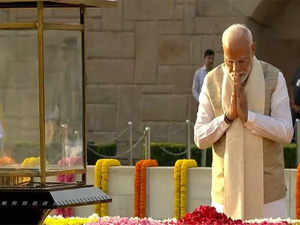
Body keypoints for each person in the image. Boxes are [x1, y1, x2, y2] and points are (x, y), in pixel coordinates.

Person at [194, 24, 293, 220]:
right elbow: (199, 138)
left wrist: (249, 118)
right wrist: (227, 118)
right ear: (223, 52)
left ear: (253, 49)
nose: (235, 70)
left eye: (241, 62)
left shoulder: (274, 77)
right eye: (229, 62)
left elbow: (286, 132)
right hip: (225, 194)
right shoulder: (211, 80)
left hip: (269, 198)